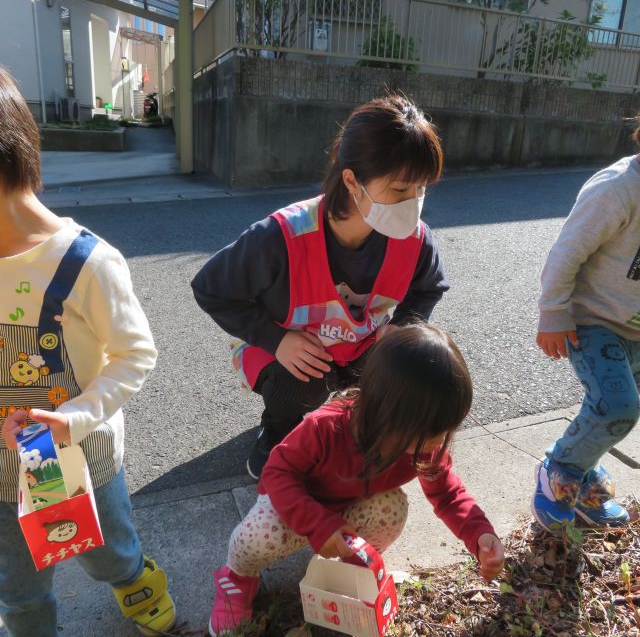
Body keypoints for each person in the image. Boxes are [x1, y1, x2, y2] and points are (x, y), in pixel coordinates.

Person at [0, 67, 175, 637]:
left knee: (105, 552)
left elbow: (134, 356)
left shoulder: (86, 263)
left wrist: (74, 418)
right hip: (1, 474)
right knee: (18, 589)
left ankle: (134, 580)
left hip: (74, 458)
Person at [192, 95, 449, 479]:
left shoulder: (414, 238)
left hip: (360, 343)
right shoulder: (281, 236)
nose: (413, 205)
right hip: (287, 348)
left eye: (421, 190)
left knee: (405, 364)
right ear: (351, 180)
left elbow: (429, 287)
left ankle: (352, 426)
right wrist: (277, 340)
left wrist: (402, 326)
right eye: (399, 191)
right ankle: (278, 430)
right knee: (301, 382)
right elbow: (210, 287)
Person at [208, 323, 505, 635]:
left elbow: (446, 494)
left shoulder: (421, 445)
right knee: (257, 536)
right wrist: (318, 524)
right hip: (295, 507)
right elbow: (278, 473)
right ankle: (237, 579)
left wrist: (479, 534)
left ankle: (352, 571)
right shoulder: (325, 428)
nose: (438, 441)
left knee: (392, 508)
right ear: (386, 414)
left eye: (447, 428)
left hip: (348, 512)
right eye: (431, 432)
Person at [532, 136, 640, 533]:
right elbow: (567, 251)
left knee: (620, 410)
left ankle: (584, 474)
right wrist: (553, 313)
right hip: (594, 323)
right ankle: (559, 472)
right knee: (617, 407)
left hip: (636, 329)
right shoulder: (618, 188)